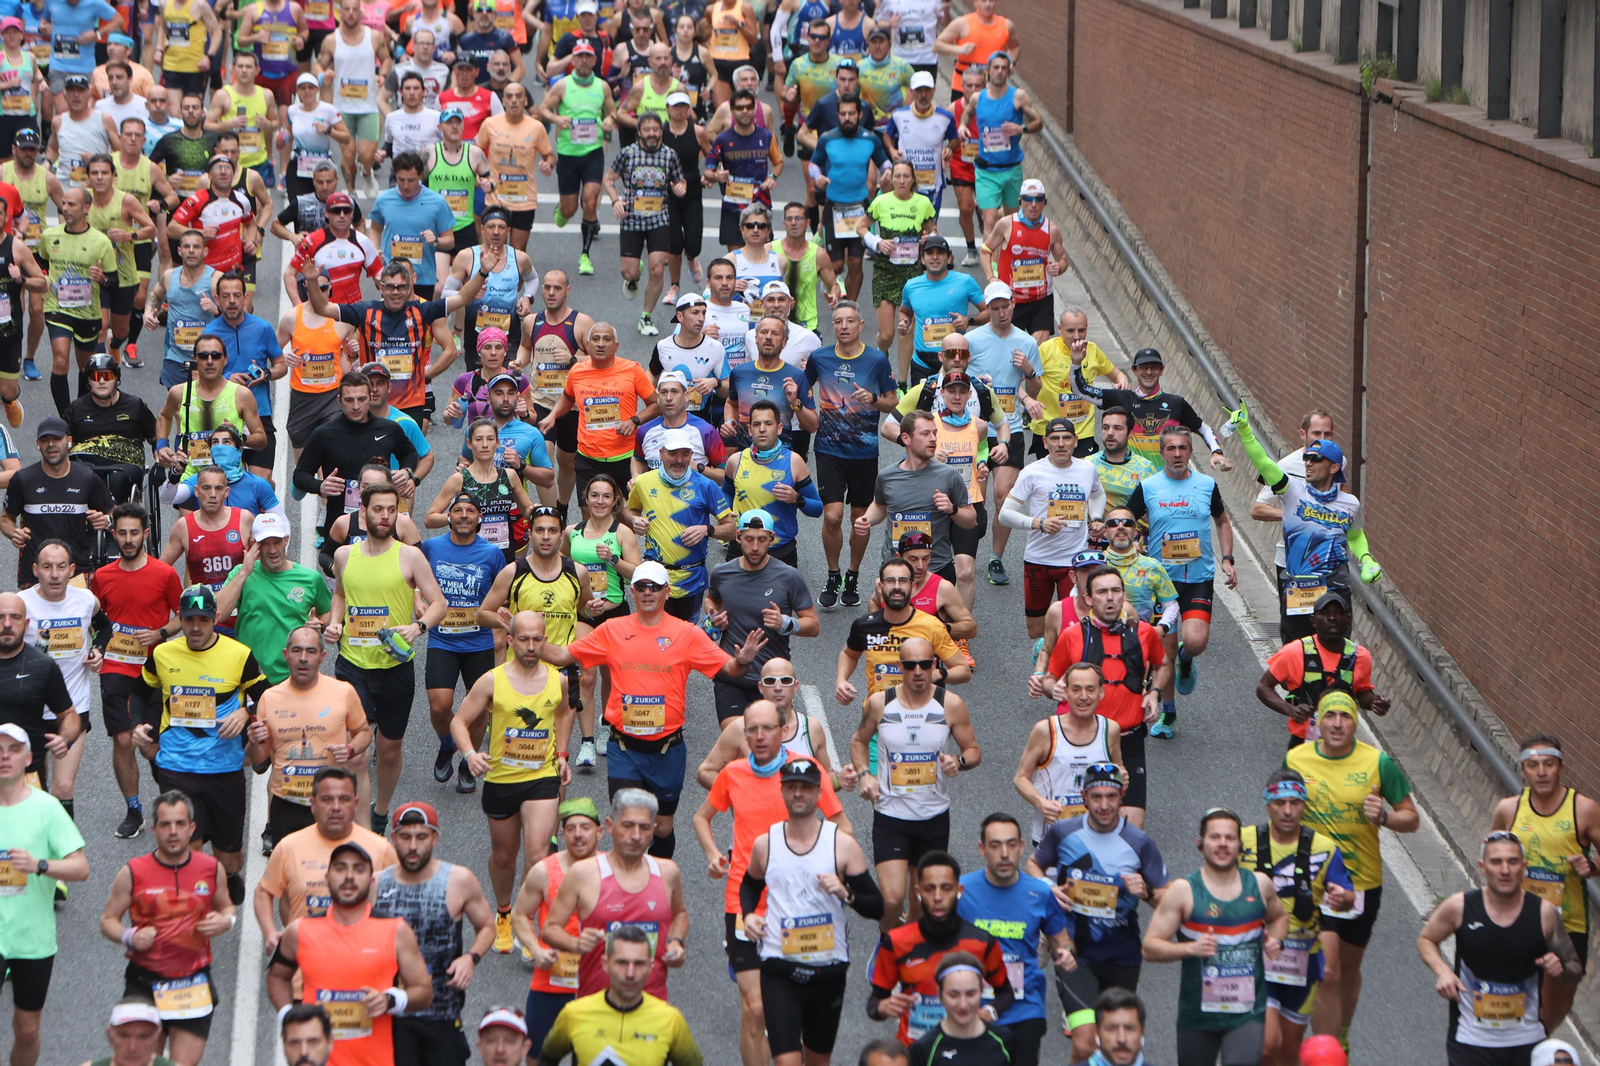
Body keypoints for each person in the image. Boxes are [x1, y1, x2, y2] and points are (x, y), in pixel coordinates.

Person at [540, 563, 764, 857]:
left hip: (667, 751)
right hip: (624, 749)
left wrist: (744, 660)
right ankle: (629, 879)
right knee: (627, 823)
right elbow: (560, 655)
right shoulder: (612, 630)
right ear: (632, 592)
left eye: (655, 587)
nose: (648, 592)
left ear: (666, 592)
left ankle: (658, 877)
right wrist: (525, 636)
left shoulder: (686, 634)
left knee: (662, 828)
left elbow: (731, 670)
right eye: (641, 587)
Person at [693, 705, 849, 1066]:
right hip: (744, 902)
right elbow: (701, 818)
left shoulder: (804, 772)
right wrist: (714, 854)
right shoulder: (733, 773)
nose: (760, 736)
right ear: (744, 734)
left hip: (801, 904)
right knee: (756, 1007)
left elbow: (843, 825)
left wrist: (833, 870)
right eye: (752, 729)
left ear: (783, 731)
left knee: (801, 1003)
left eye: (768, 728)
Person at [1286, 689, 1419, 1047]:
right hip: (1311, 882)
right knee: (1327, 971)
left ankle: (1341, 1037)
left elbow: (1412, 819)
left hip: (1361, 882)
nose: (1337, 724)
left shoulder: (1378, 763)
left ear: (1356, 722)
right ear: (1319, 721)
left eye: (1345, 716)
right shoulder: (1297, 759)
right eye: (1330, 716)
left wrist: (1385, 817)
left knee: (1347, 970)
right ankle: (1326, 1050)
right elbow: (1280, 811)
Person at [324, 476, 447, 831]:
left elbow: (439, 603)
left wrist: (417, 627)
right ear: (363, 513)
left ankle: (380, 810)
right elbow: (340, 595)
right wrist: (335, 623)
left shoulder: (410, 556)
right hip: (353, 666)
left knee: (389, 750)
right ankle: (362, 827)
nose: (385, 516)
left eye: (392, 510)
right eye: (378, 509)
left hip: (395, 667)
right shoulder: (344, 555)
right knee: (357, 754)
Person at [132, 585, 268, 905]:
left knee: (228, 858)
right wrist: (137, 724)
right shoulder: (163, 655)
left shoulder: (239, 655)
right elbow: (139, 692)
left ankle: (228, 876)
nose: (195, 627)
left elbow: (268, 697)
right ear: (179, 619)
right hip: (177, 768)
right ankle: (193, 912)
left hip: (224, 769)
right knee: (186, 851)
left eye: (203, 620)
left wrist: (245, 713)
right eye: (189, 619)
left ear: (215, 618)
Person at [741, 757, 881, 1066]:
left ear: (819, 793)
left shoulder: (841, 845)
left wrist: (847, 893)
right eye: (791, 787)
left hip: (827, 970)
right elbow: (749, 885)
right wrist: (749, 914)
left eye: (806, 788)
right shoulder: (766, 844)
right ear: (782, 791)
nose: (798, 794)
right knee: (787, 1061)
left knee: (818, 1061)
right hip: (779, 967)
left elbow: (877, 906)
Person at [1028, 761, 1167, 1061]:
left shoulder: (1139, 843)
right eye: (1096, 797)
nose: (1104, 805)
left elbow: (1167, 902)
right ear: (1083, 797)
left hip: (1122, 955)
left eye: (1111, 797)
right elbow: (1034, 863)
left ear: (1122, 796)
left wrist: (1147, 892)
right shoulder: (1064, 832)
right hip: (1074, 953)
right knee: (1084, 1044)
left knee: (1116, 1046)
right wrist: (1046, 886)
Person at [453, 611, 573, 952]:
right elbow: (459, 722)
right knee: (504, 856)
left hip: (542, 778)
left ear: (545, 640)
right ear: (510, 640)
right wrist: (469, 754)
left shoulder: (558, 681)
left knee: (537, 854)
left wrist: (561, 754)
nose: (531, 646)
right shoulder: (492, 681)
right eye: (523, 639)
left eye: (537, 639)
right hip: (502, 778)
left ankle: (526, 920)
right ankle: (504, 912)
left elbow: (564, 712)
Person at [1417, 832, 1582, 1066]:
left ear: (1523, 867)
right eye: (1496, 862)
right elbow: (1426, 940)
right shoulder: (1460, 907)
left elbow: (1574, 969)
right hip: (1471, 1038)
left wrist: (1560, 970)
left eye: (1512, 862)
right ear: (1483, 867)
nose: (1505, 870)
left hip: (1526, 1039)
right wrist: (1442, 970)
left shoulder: (1543, 913)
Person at [98, 789, 237, 1066]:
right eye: (165, 824)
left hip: (193, 981)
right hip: (144, 982)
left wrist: (226, 921)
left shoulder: (211, 868)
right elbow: (107, 921)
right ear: (154, 830)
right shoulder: (133, 871)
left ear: (192, 829)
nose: (173, 832)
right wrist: (130, 936)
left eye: (180, 824)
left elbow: (227, 908)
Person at [265, 840, 435, 1066]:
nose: (349, 876)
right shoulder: (299, 930)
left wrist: (390, 1000)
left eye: (359, 869)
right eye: (340, 868)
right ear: (327, 878)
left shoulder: (397, 931)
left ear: (371, 881)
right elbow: (277, 976)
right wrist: (287, 1015)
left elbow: (424, 992)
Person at [850, 635, 980, 931]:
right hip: (890, 816)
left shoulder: (950, 704)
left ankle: (908, 948)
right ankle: (887, 945)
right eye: (910, 665)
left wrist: (958, 762)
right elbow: (858, 741)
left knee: (920, 902)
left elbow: (973, 751)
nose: (918, 671)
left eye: (924, 664)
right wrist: (865, 774)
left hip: (933, 817)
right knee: (892, 899)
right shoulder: (880, 703)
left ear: (934, 664)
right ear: (900, 667)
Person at [1142, 808, 1289, 1066]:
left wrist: (1277, 941)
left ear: (1240, 846)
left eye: (1230, 838)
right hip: (1197, 1015)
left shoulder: (1259, 885)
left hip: (1246, 1012)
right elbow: (1149, 948)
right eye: (1215, 837)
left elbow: (1279, 917)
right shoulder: (1184, 891)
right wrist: (1190, 949)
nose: (1222, 844)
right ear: (1200, 844)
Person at [1228, 403, 1382, 644]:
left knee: (1336, 649)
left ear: (1334, 467)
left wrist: (1366, 560)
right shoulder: (1292, 491)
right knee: (1296, 649)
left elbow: (1354, 534)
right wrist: (1246, 432)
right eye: (1307, 457)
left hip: (1335, 584)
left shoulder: (1350, 503)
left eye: (1316, 459)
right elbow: (1264, 464)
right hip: (1300, 583)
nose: (1308, 462)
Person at [1124, 426, 1236, 738]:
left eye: (1183, 448)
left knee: (1196, 641)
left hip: (1198, 577)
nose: (1177, 454)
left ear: (1190, 452)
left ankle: (1188, 659)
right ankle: (1169, 713)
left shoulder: (1206, 485)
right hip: (1161, 583)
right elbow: (1127, 520)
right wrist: (1130, 544)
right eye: (1171, 448)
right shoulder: (1148, 487)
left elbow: (1222, 521)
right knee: (1165, 653)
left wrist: (1228, 558)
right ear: (1162, 453)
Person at [1036, 565, 1169, 824]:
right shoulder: (1072, 636)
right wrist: (1054, 689)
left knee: (1132, 827)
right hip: (1084, 740)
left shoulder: (1144, 633)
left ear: (1124, 596)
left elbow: (1163, 664)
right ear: (1088, 599)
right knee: (1082, 824)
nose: (1110, 597)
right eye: (1102, 592)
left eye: (1116, 591)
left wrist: (1154, 693)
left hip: (1129, 740)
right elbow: (1050, 679)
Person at [1240, 770, 1356, 1066]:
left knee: (1289, 1051)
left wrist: (1342, 898)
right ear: (1267, 804)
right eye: (1280, 803)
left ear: (1304, 804)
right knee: (1267, 1044)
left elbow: (1348, 897)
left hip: (1301, 962)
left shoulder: (1324, 848)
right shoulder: (1243, 841)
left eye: (1295, 802)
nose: (1288, 811)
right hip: (1254, 958)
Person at [370, 801, 497, 1066]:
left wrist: (471, 958)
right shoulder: (376, 884)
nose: (412, 846)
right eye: (405, 837)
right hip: (391, 1014)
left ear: (435, 838)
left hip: (442, 1010)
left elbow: (487, 926)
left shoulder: (458, 880)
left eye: (421, 837)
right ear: (393, 838)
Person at [1489, 736, 1598, 1032]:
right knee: (1512, 1002)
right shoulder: (1509, 810)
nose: (1541, 772)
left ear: (1561, 767)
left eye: (1548, 764)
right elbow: (1490, 859)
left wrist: (1592, 866)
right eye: (1533, 765)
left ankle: (1537, 1038)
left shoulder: (1583, 809)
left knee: (1555, 1007)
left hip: (1567, 926)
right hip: (1517, 921)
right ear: (1523, 769)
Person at [537, 788, 691, 997]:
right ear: (610, 826)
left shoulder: (667, 872)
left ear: (654, 829)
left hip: (652, 1000)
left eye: (644, 828)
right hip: (596, 1000)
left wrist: (676, 941)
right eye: (627, 826)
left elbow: (680, 914)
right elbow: (550, 929)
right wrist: (576, 943)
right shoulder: (583, 874)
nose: (636, 836)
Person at [91, 502, 184, 838]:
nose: (128, 539)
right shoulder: (102, 577)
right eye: (122, 533)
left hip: (154, 671)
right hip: (115, 668)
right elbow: (95, 621)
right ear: (113, 534)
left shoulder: (164, 574)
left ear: (145, 534)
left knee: (150, 745)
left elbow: (183, 615)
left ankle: (171, 802)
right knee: (123, 739)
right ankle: (134, 810)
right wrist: (97, 649)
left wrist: (160, 633)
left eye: (134, 533)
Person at [0, 721, 88, 1066]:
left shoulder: (47, 808)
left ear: (28, 759)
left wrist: (39, 865)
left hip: (32, 938)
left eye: (13, 750)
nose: (4, 757)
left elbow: (80, 868)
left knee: (27, 1030)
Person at [955, 813, 1075, 1066]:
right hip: (973, 1007)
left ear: (1022, 846)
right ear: (982, 849)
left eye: (1011, 845)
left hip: (1025, 1007)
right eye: (995, 846)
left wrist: (1065, 952)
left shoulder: (1040, 893)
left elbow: (1061, 940)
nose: (1004, 854)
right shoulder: (961, 892)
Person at [868, 851, 1012, 1045]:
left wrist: (990, 1012)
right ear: (918, 892)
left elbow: (1006, 993)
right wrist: (882, 1008)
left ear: (959, 890)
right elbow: (874, 1002)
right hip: (915, 1050)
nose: (937, 897)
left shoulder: (982, 942)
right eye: (929, 889)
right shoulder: (896, 942)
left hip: (964, 1049)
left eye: (946, 888)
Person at [245, 626, 368, 852]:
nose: (303, 658)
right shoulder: (270, 698)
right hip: (286, 804)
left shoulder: (343, 692)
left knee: (331, 867)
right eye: (297, 650)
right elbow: (257, 758)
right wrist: (253, 742)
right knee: (290, 870)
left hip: (330, 801)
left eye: (311, 651)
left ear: (322, 657)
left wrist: (350, 750)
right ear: (286, 655)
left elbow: (364, 733)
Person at [807, 300, 897, 608]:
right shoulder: (819, 357)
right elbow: (803, 389)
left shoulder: (876, 360)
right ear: (833, 325)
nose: (844, 326)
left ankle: (853, 574)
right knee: (832, 516)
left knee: (860, 519)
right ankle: (833, 574)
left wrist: (873, 399)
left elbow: (892, 401)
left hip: (864, 452)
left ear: (861, 324)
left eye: (850, 321)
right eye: (838, 321)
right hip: (828, 448)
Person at [416, 491, 506, 791]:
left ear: (480, 517)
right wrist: (418, 599)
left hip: (479, 643)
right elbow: (416, 577)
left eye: (470, 511)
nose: (464, 515)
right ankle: (447, 743)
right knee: (439, 706)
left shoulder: (492, 554)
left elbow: (500, 595)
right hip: (443, 641)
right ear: (449, 516)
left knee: (478, 710)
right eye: (458, 510)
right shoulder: (432, 547)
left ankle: (469, 760)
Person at [255, 766, 397, 950]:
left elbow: (402, 894)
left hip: (361, 954)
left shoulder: (380, 849)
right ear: (313, 804)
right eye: (327, 800)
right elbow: (264, 891)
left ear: (355, 804)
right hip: (306, 953)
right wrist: (269, 932)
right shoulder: (289, 846)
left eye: (344, 800)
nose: (336, 807)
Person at [702, 508, 818, 718]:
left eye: (762, 540)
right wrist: (715, 615)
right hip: (731, 675)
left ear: (771, 539)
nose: (755, 547)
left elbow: (813, 625)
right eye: (749, 539)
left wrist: (786, 623)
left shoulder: (789, 576)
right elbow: (711, 599)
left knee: (769, 736)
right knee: (736, 734)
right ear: (738, 537)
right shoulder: (722, 572)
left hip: (772, 681)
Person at [1000, 417, 1107, 640]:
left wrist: (1096, 518)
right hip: (1039, 561)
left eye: (1066, 438)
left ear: (1076, 441)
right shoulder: (1032, 472)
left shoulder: (1087, 469)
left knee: (1075, 629)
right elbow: (1005, 514)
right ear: (1045, 442)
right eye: (1054, 438)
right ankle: (1049, 658)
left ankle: (1064, 660)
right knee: (1036, 631)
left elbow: (1098, 494)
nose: (1061, 444)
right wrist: (1039, 524)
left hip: (1074, 562)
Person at [537, 320, 658, 514]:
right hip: (588, 457)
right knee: (590, 514)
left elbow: (656, 404)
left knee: (624, 516)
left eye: (606, 339)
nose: (601, 344)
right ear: (588, 344)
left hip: (625, 457)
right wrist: (553, 415)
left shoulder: (632, 370)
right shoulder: (577, 371)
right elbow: (568, 397)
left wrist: (635, 421)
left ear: (616, 346)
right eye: (596, 339)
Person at [538, 925, 704, 1066]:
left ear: (650, 967)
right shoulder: (574, 1014)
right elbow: (547, 1059)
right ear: (605, 964)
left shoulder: (670, 1020)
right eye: (622, 962)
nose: (630, 973)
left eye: (639, 964)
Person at [510, 797, 603, 1035]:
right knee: (536, 1051)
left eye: (585, 828)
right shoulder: (544, 870)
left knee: (589, 1053)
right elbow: (519, 914)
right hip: (551, 981)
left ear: (600, 832)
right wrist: (535, 949)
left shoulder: (612, 870)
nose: (578, 835)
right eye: (570, 829)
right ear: (562, 834)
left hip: (600, 983)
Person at [626, 424, 735, 621]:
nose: (679, 460)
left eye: (685, 454)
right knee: (655, 634)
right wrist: (634, 520)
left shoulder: (706, 485)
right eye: (673, 453)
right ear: (661, 453)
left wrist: (707, 530)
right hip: (655, 576)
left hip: (691, 579)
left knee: (685, 636)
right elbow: (630, 511)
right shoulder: (643, 482)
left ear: (691, 455)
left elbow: (731, 530)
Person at [19, 541, 100, 807]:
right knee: (35, 789)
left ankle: (65, 837)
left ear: (71, 570)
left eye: (61, 567)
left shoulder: (85, 600)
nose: (54, 574)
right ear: (35, 570)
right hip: (32, 708)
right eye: (47, 567)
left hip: (73, 706)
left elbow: (104, 626)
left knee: (63, 786)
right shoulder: (21, 604)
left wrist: (98, 650)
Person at [838, 556, 971, 713]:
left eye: (903, 581)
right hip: (879, 715)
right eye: (890, 581)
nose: (897, 587)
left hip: (923, 716)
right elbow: (849, 654)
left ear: (912, 586)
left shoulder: (931, 626)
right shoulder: (865, 625)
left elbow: (963, 670)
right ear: (880, 586)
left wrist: (937, 674)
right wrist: (841, 680)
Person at [1255, 590, 1386, 748]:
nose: (1332, 618)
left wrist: (1374, 702)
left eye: (1339, 613)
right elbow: (1263, 687)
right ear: (1313, 620)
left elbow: (1362, 693)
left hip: (1342, 744)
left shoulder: (1360, 656)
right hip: (1304, 744)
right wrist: (1290, 709)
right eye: (1325, 613)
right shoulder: (1296, 651)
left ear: (1348, 618)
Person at [1013, 661, 1125, 844]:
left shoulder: (1110, 730)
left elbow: (1119, 771)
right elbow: (1020, 778)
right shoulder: (1046, 731)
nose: (1083, 697)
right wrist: (1041, 803)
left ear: (1101, 692)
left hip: (1098, 835)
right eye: (1076, 689)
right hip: (1053, 837)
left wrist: (1122, 777)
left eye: (1090, 689)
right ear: (1065, 692)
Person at [537, 38, 616, 275]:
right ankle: (562, 211)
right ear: (573, 60)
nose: (583, 60)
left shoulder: (602, 87)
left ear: (594, 60)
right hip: (568, 153)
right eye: (579, 56)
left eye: (587, 56)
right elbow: (542, 109)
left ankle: (585, 255)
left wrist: (609, 120)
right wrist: (556, 118)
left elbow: (612, 112)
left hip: (593, 152)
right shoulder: (562, 85)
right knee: (570, 210)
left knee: (590, 201)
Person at [37, 187, 118, 414]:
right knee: (60, 360)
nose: (65, 208)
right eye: (63, 203)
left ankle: (81, 412)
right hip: (57, 308)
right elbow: (40, 264)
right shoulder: (49, 236)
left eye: (71, 204)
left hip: (88, 312)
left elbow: (114, 281)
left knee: (86, 367)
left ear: (86, 208)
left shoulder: (101, 242)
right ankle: (66, 417)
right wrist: (42, 280)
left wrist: (102, 279)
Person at [2, 416, 113, 582]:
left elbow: (115, 513)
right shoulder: (22, 479)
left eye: (56, 439)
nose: (50, 444)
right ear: (38, 444)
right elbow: (6, 518)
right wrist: (14, 533)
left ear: (69, 441)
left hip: (78, 572)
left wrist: (107, 520)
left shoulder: (87, 478)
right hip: (35, 574)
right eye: (44, 440)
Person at [605, 111, 687, 332]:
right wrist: (615, 201)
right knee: (629, 272)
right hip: (631, 219)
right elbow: (609, 178)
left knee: (658, 269)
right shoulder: (627, 153)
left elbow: (680, 181)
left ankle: (646, 316)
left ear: (661, 132)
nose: (651, 133)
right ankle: (634, 276)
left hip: (659, 218)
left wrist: (680, 188)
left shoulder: (669, 155)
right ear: (639, 132)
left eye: (655, 129)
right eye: (647, 129)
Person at [695, 658, 836, 786]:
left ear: (795, 686)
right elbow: (706, 771)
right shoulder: (739, 728)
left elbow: (827, 775)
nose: (778, 687)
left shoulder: (811, 728)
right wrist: (735, 791)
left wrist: (840, 781)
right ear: (760, 687)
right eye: (770, 681)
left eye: (785, 681)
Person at [153, 333, 268, 485]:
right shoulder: (179, 392)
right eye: (203, 356)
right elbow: (164, 416)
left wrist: (238, 437)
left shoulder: (241, 394)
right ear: (195, 359)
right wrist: (161, 446)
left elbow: (261, 439)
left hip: (229, 479)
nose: (209, 361)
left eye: (216, 356)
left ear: (225, 359)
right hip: (190, 478)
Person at [722, 385, 822, 553]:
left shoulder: (794, 462)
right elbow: (726, 493)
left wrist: (797, 498)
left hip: (780, 550)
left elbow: (817, 509)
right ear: (749, 430)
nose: (762, 429)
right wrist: (726, 515)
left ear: (779, 428)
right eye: (756, 424)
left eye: (768, 423)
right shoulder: (735, 461)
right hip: (741, 550)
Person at [158, 465, 253, 631]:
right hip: (202, 622)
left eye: (218, 488)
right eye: (206, 488)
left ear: (227, 492)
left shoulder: (244, 519)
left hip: (243, 618)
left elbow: (266, 561)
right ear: (196, 491)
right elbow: (160, 571)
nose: (213, 494)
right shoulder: (183, 526)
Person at [810, 95, 887, 299]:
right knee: (835, 266)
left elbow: (885, 163)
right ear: (837, 115)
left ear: (859, 114)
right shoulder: (827, 138)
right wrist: (817, 177)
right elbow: (813, 163)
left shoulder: (870, 139)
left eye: (851, 113)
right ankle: (834, 293)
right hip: (834, 207)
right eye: (843, 113)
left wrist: (888, 173)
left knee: (855, 263)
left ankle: (850, 306)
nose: (847, 118)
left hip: (859, 209)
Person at [1033, 307, 1129, 459]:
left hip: (1083, 430)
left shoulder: (1092, 350)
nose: (1077, 336)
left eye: (1082, 330)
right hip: (1050, 429)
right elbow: (1020, 379)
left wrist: (1122, 383)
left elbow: (1117, 374)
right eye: (1071, 331)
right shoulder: (1045, 350)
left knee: (1082, 473)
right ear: (1060, 329)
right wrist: (1028, 400)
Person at [319, 0, 388, 194]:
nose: (350, 13)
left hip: (368, 107)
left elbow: (386, 60)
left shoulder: (374, 37)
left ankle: (367, 172)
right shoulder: (331, 40)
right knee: (348, 155)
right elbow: (319, 65)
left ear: (361, 13)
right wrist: (323, 75)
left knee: (367, 155)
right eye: (346, 9)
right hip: (343, 107)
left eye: (354, 9)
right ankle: (350, 194)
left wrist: (382, 75)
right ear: (340, 13)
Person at [897, 236, 985, 387]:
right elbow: (905, 312)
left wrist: (968, 320)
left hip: (955, 361)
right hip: (922, 363)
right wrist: (904, 322)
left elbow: (988, 312)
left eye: (940, 252)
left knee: (954, 401)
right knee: (921, 403)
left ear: (949, 258)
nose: (935, 257)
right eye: (930, 253)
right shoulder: (911, 286)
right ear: (922, 259)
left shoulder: (965, 282)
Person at [705, 89, 782, 253]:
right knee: (736, 257)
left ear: (754, 109)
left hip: (760, 204)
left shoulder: (767, 137)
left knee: (761, 254)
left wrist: (772, 177)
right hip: (733, 205)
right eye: (740, 108)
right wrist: (716, 176)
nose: (745, 111)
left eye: (749, 107)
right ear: (732, 110)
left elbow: (779, 163)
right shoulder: (722, 139)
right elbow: (708, 172)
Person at [905, 953, 1015, 1066]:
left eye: (971, 994)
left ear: (981, 991)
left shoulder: (1004, 1041)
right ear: (939, 994)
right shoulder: (923, 1050)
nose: (963, 1005)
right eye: (954, 995)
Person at [1092, 406, 1158, 511]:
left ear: (1130, 433)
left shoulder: (1146, 468)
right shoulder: (1089, 464)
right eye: (1106, 428)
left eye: (1117, 428)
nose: (1110, 433)